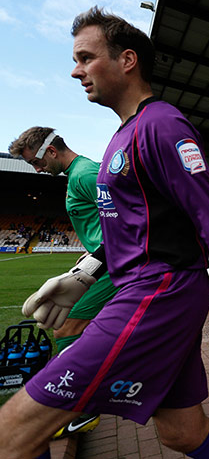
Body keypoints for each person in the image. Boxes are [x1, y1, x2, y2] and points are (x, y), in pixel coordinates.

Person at [0, 8, 209, 458]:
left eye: (86, 57)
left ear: (128, 60)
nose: (75, 71)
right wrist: (85, 273)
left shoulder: (162, 125)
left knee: (11, 432)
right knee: (182, 431)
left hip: (157, 292)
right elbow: (129, 228)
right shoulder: (121, 137)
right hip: (148, 288)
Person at [8, 126, 121, 438]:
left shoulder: (86, 173)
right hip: (102, 261)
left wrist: (95, 262)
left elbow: (126, 216)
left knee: (66, 326)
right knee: (75, 328)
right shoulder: (77, 175)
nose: (37, 169)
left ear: (52, 151)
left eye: (37, 162)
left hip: (113, 266)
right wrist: (89, 253)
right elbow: (103, 221)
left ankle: (82, 408)